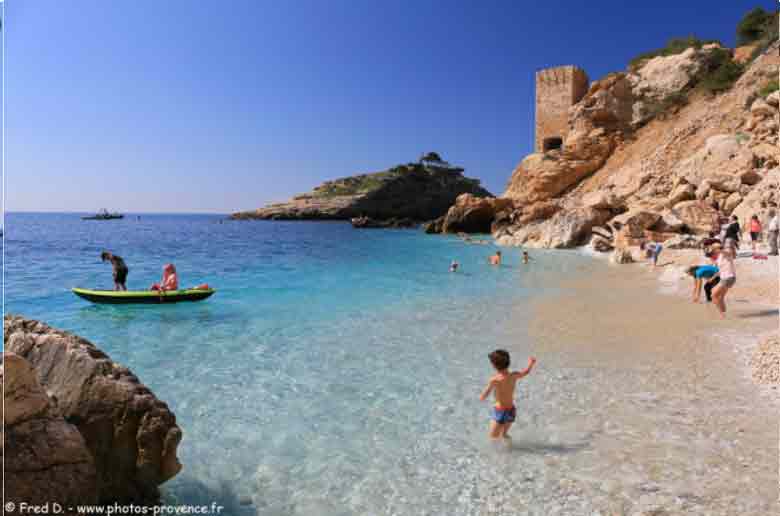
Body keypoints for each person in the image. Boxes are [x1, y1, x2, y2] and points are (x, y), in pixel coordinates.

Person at [479, 350, 536, 440]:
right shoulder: (514, 375)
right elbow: (525, 372)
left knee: (493, 437)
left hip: (500, 411)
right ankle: (509, 448)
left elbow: (486, 394)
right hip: (511, 411)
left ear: (494, 366)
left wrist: (481, 397)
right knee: (504, 434)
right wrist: (531, 363)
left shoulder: (495, 380)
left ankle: (500, 453)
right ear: (508, 363)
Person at [711, 245, 736, 319]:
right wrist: (712, 278)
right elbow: (720, 270)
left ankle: (722, 315)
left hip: (728, 277)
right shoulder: (719, 258)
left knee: (713, 295)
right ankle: (725, 314)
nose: (714, 251)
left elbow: (729, 252)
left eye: (715, 249)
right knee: (721, 297)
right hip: (725, 278)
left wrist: (719, 250)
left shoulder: (726, 252)